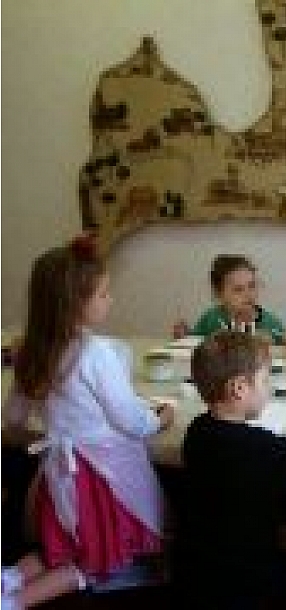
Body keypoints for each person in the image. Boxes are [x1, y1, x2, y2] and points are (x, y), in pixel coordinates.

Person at [1, 237, 174, 609]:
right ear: (75, 304)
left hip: (59, 473)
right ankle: (14, 602)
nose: (111, 300)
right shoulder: (96, 354)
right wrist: (157, 420)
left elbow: (12, 419)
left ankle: (9, 578)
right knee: (90, 561)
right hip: (100, 476)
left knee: (64, 544)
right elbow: (130, 421)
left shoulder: (32, 350)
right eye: (103, 294)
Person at [177, 330, 286, 608]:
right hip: (248, 581)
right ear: (238, 388)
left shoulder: (196, 431)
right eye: (265, 379)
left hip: (197, 572)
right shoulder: (261, 448)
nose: (269, 387)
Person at [187, 254, 286, 344]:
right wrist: (183, 338)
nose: (248, 295)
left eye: (252, 286)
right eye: (238, 289)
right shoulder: (210, 320)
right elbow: (191, 347)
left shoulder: (271, 324)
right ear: (219, 294)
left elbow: (285, 350)